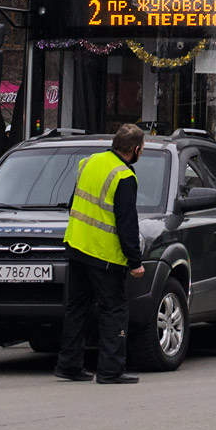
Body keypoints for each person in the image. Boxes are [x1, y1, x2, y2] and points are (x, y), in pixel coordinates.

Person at [55, 124, 146, 384]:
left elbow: (75, 203)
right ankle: (111, 370)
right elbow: (127, 223)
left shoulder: (89, 162)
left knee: (76, 308)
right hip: (104, 254)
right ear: (136, 150)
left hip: (76, 245)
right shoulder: (124, 176)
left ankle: (69, 365)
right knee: (114, 310)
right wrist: (135, 262)